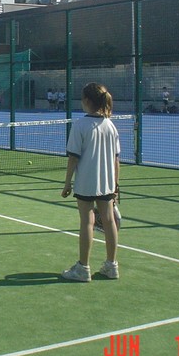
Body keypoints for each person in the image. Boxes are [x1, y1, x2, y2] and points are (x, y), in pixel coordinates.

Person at [60, 82, 120, 282]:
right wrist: (115, 184)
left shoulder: (80, 125)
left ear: (86, 101)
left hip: (86, 182)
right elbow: (116, 159)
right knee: (109, 221)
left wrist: (67, 183)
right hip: (107, 184)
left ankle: (83, 268)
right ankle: (112, 266)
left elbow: (73, 158)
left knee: (87, 221)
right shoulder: (110, 125)